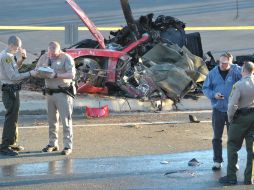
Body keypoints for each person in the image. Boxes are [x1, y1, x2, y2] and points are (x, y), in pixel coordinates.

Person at [35, 41, 76, 155]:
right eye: (50, 53)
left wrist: (56, 75)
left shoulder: (66, 58)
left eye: (54, 54)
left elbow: (72, 74)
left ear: (59, 51)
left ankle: (68, 146)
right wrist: (40, 72)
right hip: (49, 93)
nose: (51, 56)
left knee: (66, 121)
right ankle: (53, 143)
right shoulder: (44, 57)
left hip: (62, 93)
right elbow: (36, 70)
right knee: (52, 121)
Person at [202, 52, 242, 170]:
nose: (222, 65)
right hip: (218, 110)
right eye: (220, 62)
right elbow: (205, 88)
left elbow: (246, 77)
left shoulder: (236, 71)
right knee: (217, 137)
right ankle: (217, 161)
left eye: (225, 63)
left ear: (230, 62)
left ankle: (233, 161)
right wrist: (214, 95)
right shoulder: (212, 73)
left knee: (233, 137)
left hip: (233, 110)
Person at [0, 35, 36, 156]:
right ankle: (5, 146)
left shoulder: (9, 55)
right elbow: (13, 77)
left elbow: (15, 69)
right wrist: (30, 73)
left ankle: (12, 142)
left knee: (14, 116)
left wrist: (22, 58)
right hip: (9, 90)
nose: (18, 49)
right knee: (10, 117)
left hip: (13, 90)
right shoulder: (5, 57)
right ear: (11, 45)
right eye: (17, 47)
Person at [219, 61, 254, 185]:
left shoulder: (239, 85)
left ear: (244, 70)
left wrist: (230, 118)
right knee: (252, 149)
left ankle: (231, 177)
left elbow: (233, 105)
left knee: (233, 146)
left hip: (240, 118)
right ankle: (249, 178)